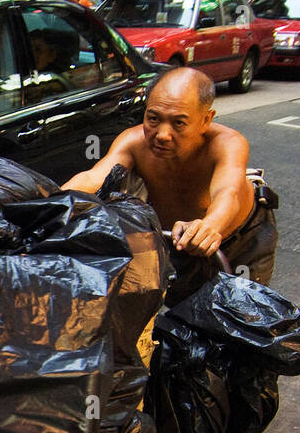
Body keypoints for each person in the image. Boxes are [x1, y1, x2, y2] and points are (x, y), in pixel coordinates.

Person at [61, 67, 277, 299]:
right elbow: (92, 178)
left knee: (242, 314)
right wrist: (46, 205)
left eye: (179, 123)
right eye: (153, 118)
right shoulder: (133, 141)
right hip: (179, 243)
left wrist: (210, 226)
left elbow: (228, 193)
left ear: (206, 120)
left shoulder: (227, 143)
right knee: (180, 316)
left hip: (240, 241)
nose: (162, 134)